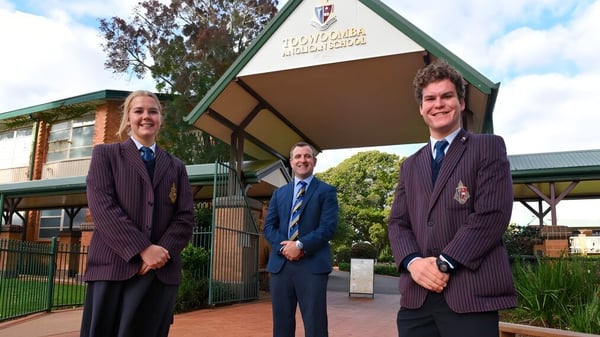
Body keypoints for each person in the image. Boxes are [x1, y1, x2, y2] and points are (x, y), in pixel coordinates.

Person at [387, 60, 518, 337]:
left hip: (469, 295)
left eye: (446, 96)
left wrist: (445, 262)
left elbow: (492, 215)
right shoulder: (409, 165)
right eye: (430, 99)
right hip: (416, 300)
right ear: (421, 108)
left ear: (460, 102)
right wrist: (413, 262)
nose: (439, 104)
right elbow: (398, 223)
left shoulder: (488, 147)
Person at [80, 90, 195, 337]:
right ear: (128, 118)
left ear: (160, 118)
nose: (146, 116)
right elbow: (102, 207)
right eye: (139, 111)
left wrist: (159, 253)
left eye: (153, 111)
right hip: (112, 269)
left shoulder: (176, 166)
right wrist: (143, 249)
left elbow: (185, 217)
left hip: (159, 274)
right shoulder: (105, 156)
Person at [263, 141, 339, 337]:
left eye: (307, 156)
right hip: (281, 267)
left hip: (312, 267)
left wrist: (300, 245)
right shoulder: (279, 193)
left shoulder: (326, 191)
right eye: (298, 156)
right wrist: (284, 249)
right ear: (291, 162)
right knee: (282, 326)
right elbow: (269, 227)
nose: (302, 160)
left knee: (315, 325)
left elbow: (327, 228)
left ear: (313, 162)